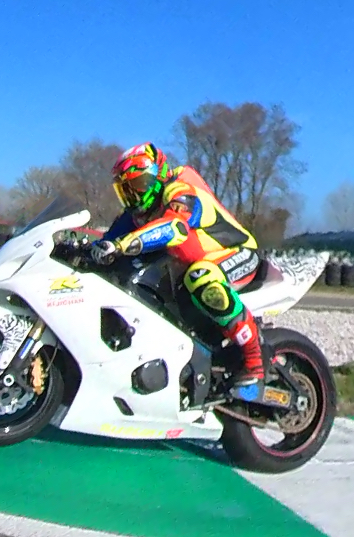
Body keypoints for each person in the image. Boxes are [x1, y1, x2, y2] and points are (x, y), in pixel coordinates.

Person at [82, 139, 272, 402]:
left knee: (201, 278)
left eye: (138, 186)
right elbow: (107, 241)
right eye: (125, 191)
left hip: (238, 253)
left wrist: (123, 244)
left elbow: (174, 228)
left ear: (156, 177)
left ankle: (254, 361)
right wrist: (82, 251)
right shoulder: (136, 214)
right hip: (194, 266)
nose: (133, 196)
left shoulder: (181, 191)